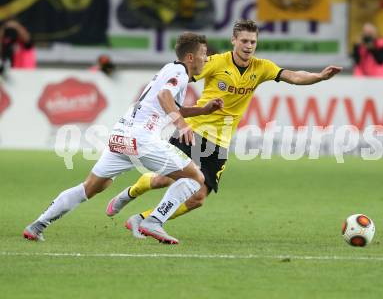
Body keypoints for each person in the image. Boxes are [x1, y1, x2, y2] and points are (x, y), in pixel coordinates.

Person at [107, 19, 343, 240]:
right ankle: (129, 194)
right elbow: (183, 73)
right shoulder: (216, 62)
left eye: (253, 41)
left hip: (220, 142)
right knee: (163, 180)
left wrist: (319, 77)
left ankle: (143, 219)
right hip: (194, 131)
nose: (249, 46)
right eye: (244, 41)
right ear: (234, 40)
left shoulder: (262, 68)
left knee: (198, 198)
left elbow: (292, 76)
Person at [23, 32, 224, 244]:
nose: (206, 59)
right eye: (203, 54)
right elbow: (164, 97)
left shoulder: (169, 68)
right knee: (195, 178)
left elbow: (171, 106)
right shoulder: (181, 73)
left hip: (121, 135)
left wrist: (203, 110)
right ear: (190, 57)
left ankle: (37, 225)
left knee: (90, 187)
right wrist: (182, 126)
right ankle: (153, 221)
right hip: (142, 137)